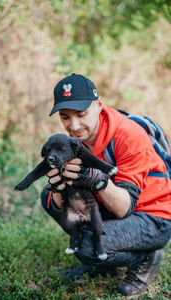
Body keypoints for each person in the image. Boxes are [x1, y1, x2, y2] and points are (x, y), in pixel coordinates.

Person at [41, 73, 171, 296]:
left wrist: (97, 179)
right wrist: (59, 189)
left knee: (87, 247)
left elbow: (124, 207)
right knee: (48, 196)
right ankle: (103, 262)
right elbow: (61, 200)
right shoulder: (73, 141)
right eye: (65, 117)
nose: (74, 126)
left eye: (82, 115)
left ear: (99, 105)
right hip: (113, 207)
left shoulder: (128, 136)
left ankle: (146, 257)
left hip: (153, 215)